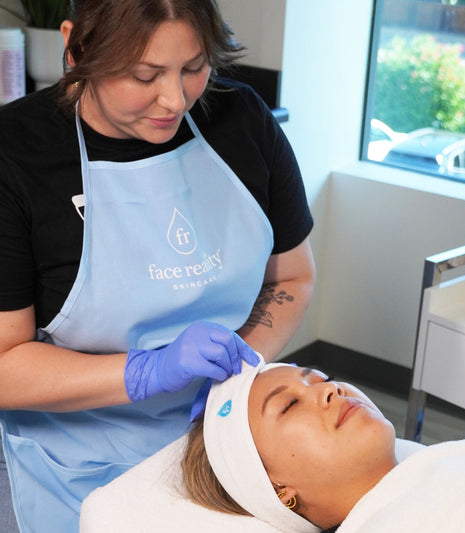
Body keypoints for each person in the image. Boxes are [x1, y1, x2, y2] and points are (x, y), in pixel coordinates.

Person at [0, 0, 315, 531]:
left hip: (221, 437)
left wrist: (234, 371)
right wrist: (149, 372)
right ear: (76, 49)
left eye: (193, 67)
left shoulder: (243, 121)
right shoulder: (14, 155)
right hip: (76, 460)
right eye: (143, 75)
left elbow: (291, 277)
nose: (174, 99)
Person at [182, 358, 465, 533]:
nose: (330, 390)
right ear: (276, 490)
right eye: (289, 405)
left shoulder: (456, 461)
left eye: (323, 379)